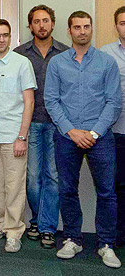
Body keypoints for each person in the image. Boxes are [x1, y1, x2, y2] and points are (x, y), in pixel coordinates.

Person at [45, 11, 122, 268]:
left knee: (107, 192)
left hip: (100, 137)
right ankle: (72, 239)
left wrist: (94, 133)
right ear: (69, 31)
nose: (82, 31)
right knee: (66, 189)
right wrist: (71, 131)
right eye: (77, 27)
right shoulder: (57, 63)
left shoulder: (106, 62)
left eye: (86, 26)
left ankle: (107, 244)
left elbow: (113, 102)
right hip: (67, 136)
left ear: (92, 29)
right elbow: (51, 101)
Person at [0, 19, 36, 253]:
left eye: (5, 35)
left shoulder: (22, 63)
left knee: (14, 186)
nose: (1, 39)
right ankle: (1, 222)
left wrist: (22, 136)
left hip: (14, 136)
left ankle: (14, 231)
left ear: (10, 38)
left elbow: (29, 101)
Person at [13, 4, 69, 249]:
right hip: (31, 124)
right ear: (30, 25)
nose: (42, 25)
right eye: (37, 21)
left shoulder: (65, 53)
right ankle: (35, 219)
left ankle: (47, 227)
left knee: (53, 177)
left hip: (58, 125)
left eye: (46, 21)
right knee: (33, 178)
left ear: (53, 24)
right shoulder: (19, 54)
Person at [101, 5, 125, 249]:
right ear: (116, 26)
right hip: (117, 129)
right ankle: (117, 236)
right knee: (117, 185)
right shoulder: (105, 54)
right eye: (122, 22)